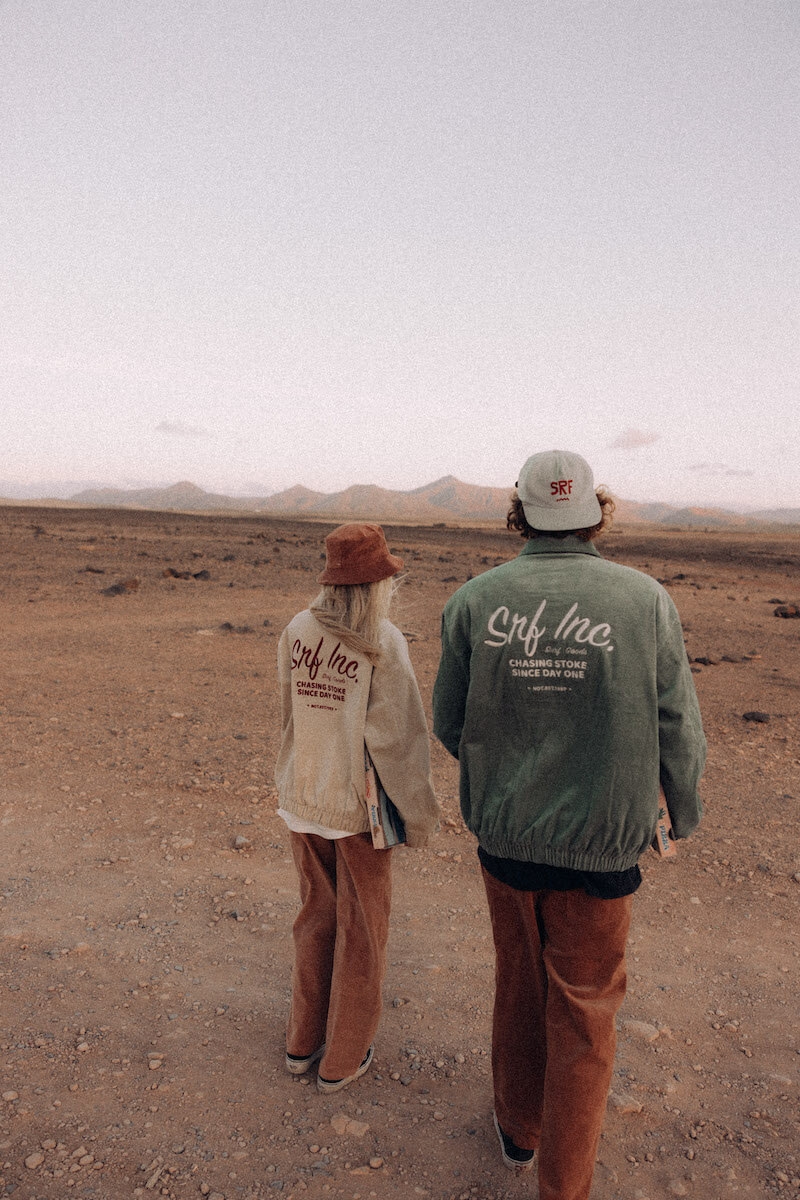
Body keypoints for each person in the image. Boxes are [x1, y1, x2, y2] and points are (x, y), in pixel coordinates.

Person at [432, 450, 705, 1199]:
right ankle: (566, 1184)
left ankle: (519, 1131)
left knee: (519, 986)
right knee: (584, 1017)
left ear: (519, 513)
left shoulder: (474, 601)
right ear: (595, 512)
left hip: (507, 843)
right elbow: (678, 721)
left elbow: (449, 722)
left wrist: (507, 771)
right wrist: (682, 809)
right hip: (603, 848)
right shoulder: (645, 601)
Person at [275, 522, 440, 1093]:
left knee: (314, 919)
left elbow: (290, 714)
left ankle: (302, 1042)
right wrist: (418, 816)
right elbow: (398, 739)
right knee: (362, 932)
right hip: (358, 813)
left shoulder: (297, 629)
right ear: (377, 583)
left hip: (301, 798)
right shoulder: (382, 640)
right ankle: (344, 1056)